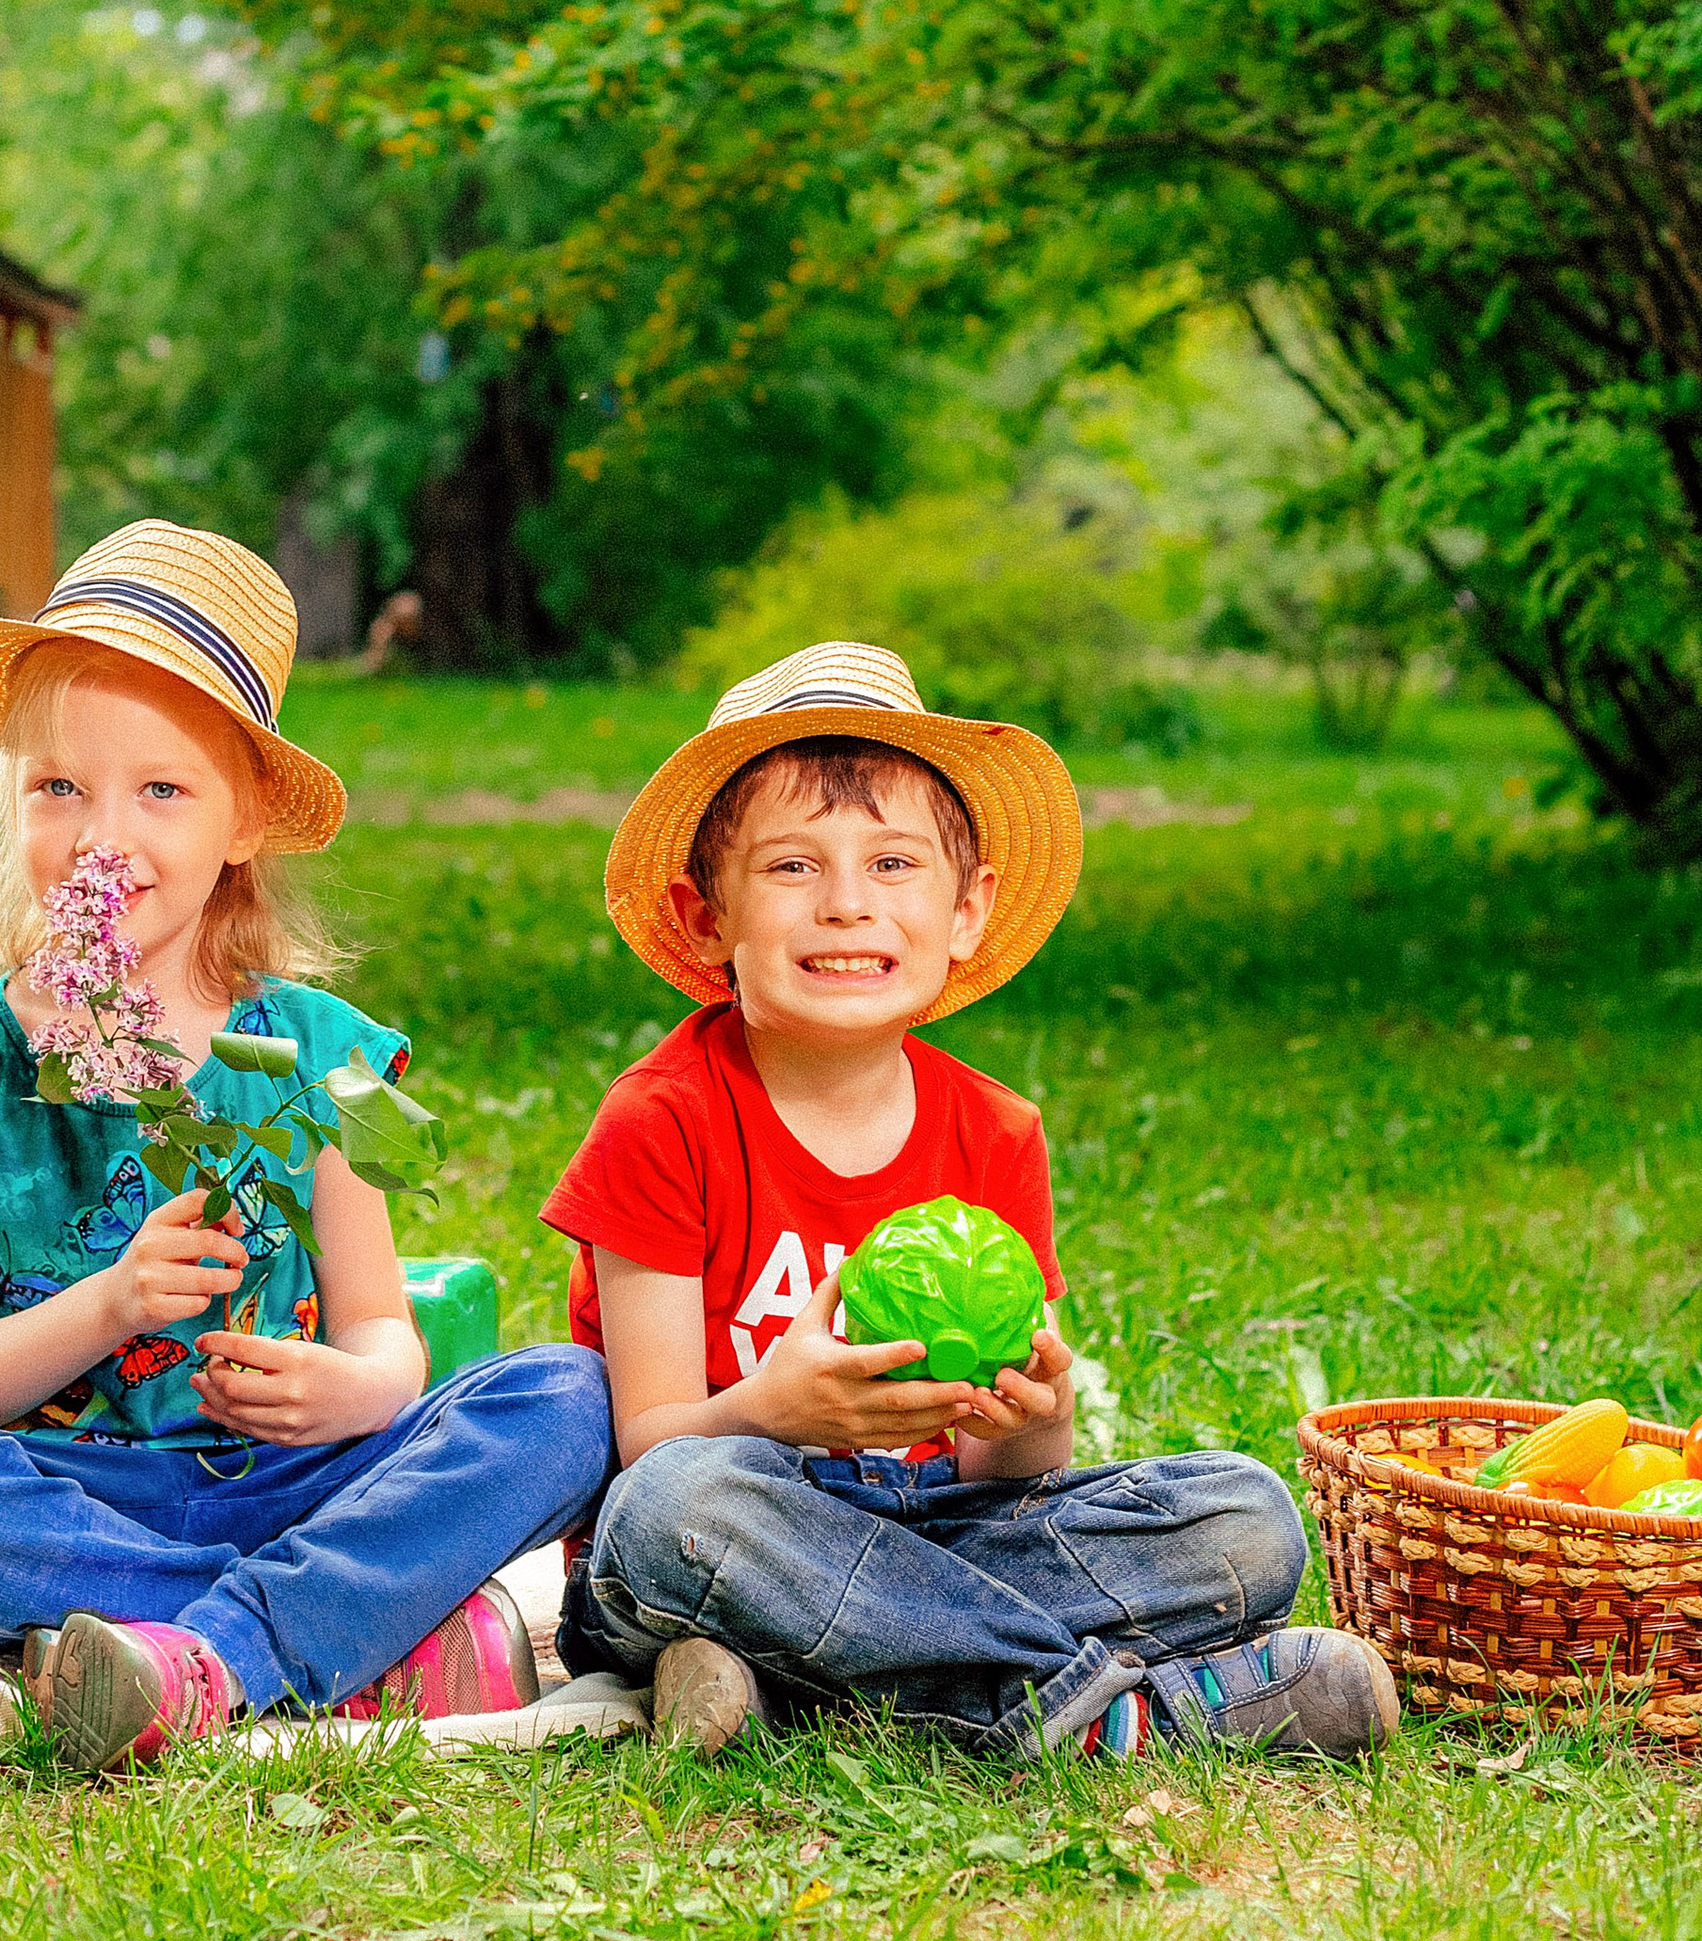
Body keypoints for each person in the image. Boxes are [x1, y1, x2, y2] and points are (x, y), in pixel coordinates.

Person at [0, 518, 611, 1779]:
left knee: (567, 1398)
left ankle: (198, 1653)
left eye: (161, 789)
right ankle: (329, 1634)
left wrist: (354, 1390)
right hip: (69, 1497)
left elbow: (382, 1330)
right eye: (58, 786)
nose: (100, 833)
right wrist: (113, 1301)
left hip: (301, 1479)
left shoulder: (319, 1056)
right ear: (13, 802)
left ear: (243, 819)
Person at [545, 639, 1398, 1764]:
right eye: (792, 867)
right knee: (673, 1506)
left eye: (893, 864)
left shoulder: (995, 1132)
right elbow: (646, 1441)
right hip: (730, 1530)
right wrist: (776, 1409)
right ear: (707, 916)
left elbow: (1013, 1478)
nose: (848, 904)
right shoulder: (663, 1118)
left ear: (965, 909)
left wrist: (1034, 1413)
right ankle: (1113, 1712)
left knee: (1245, 1518)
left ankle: (819, 1685)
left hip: (940, 1534)